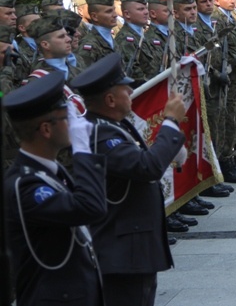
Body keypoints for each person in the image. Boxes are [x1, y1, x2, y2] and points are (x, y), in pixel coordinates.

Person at [70, 53, 187, 306]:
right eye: (126, 90)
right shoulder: (101, 133)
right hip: (121, 251)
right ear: (110, 99)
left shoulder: (112, 125)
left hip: (130, 248)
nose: (130, 93)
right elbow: (147, 167)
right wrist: (170, 122)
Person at [3, 72, 106, 306]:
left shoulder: (49, 170)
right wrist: (83, 152)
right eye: (66, 117)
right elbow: (90, 207)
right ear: (46, 130)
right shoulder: (25, 185)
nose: (74, 122)